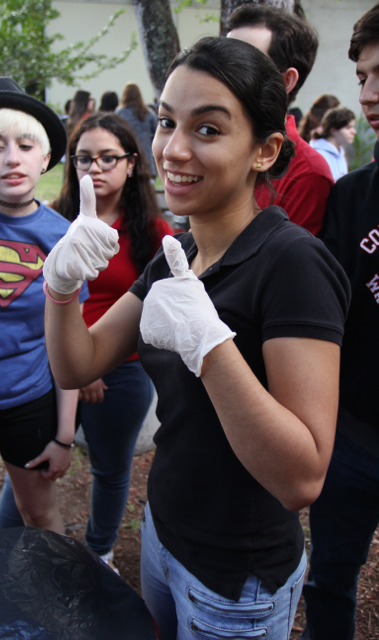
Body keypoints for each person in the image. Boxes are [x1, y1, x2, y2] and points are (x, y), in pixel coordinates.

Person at [42, 37, 350, 640]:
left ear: (265, 150)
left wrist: (210, 347)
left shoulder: (292, 264)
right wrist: (59, 286)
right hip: (164, 532)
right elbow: (77, 366)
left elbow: (302, 479)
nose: (173, 149)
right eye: (165, 122)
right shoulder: (177, 254)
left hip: (237, 577)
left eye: (208, 129)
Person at [0, 113, 172, 570]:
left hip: (122, 371)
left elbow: (157, 306)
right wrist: (74, 368)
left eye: (108, 158)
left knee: (110, 471)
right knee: (30, 465)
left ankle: (100, 554)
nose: (95, 168)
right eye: (84, 158)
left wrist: (96, 362)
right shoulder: (50, 220)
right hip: (50, 366)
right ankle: (4, 555)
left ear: (132, 163)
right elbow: (27, 300)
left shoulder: (153, 232)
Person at [0, 77, 88, 539]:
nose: (12, 158)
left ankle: (53, 604)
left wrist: (64, 434)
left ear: (45, 158)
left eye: (26, 145)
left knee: (41, 519)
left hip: (28, 400)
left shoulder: (62, 237)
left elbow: (69, 345)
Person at [301, 4, 379, 639]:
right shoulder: (352, 196)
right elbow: (324, 317)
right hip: (352, 440)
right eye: (361, 77)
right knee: (329, 579)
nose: (369, 94)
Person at [227, 4, 334, 236]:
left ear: (286, 81)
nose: (221, 72)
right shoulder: (212, 145)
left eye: (241, 63)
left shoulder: (307, 174)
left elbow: (286, 266)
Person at [117, 83, 158, 178]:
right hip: (146, 155)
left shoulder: (120, 114)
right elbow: (157, 131)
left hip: (126, 155)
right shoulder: (147, 113)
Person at [310, 107, 356, 182]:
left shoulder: (340, 153)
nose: (354, 131)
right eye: (348, 128)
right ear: (333, 131)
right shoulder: (320, 154)